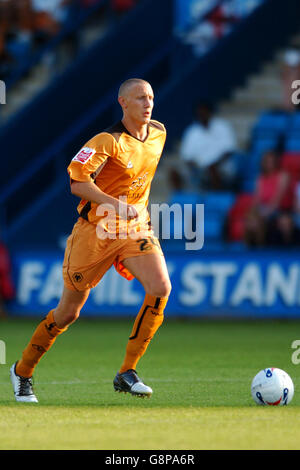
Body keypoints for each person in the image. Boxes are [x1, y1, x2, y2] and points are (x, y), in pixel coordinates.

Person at [10, 78, 172, 403]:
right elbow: (76, 182)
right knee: (68, 313)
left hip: (133, 228)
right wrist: (114, 204)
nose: (148, 103)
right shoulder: (106, 141)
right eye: (140, 98)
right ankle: (22, 370)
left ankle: (127, 371)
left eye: (150, 97)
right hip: (94, 232)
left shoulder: (158, 133)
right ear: (123, 103)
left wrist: (133, 211)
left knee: (160, 287)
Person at [173, 101, 238, 191]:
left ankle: (215, 199)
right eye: (200, 113)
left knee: (213, 170)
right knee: (174, 172)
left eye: (204, 112)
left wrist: (213, 165)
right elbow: (186, 156)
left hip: (221, 166)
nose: (202, 115)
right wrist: (196, 166)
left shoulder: (223, 126)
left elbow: (229, 151)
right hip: (198, 168)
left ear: (210, 112)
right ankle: (180, 198)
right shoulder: (192, 131)